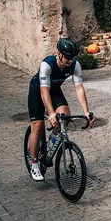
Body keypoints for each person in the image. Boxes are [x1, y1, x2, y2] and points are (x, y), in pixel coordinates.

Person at [27, 38, 94, 181]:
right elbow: (44, 92)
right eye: (67, 57)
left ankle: (50, 145)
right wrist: (51, 113)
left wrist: (86, 111)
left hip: (55, 91)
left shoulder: (75, 65)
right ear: (59, 54)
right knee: (37, 126)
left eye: (72, 57)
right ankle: (34, 163)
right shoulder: (47, 64)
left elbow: (79, 88)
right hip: (38, 91)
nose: (70, 60)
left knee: (65, 117)